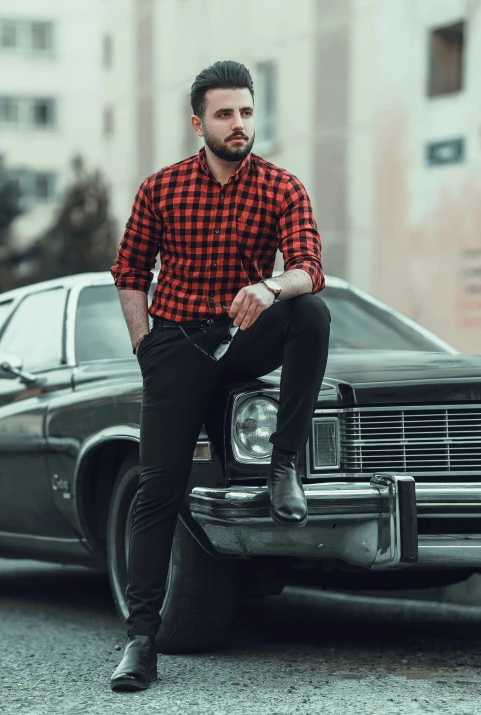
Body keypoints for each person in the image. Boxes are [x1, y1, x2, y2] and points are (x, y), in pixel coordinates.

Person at [109, 60, 330, 692]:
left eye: (247, 112)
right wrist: (144, 345)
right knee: (158, 490)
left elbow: (310, 267)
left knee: (310, 312)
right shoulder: (163, 188)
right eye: (225, 114)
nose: (239, 125)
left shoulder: (281, 186)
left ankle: (283, 462)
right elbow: (130, 270)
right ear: (199, 122)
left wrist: (268, 286)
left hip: (242, 336)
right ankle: (141, 641)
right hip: (176, 344)